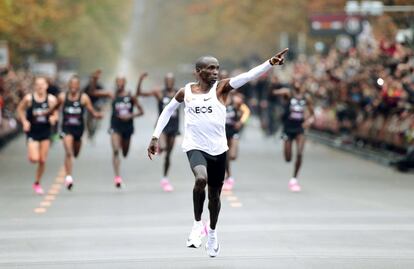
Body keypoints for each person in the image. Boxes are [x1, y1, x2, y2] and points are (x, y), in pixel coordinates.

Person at [147, 48, 288, 257]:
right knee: (200, 179)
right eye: (210, 68)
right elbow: (167, 110)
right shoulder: (186, 92)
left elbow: (247, 76)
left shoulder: (222, 88)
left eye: (217, 68)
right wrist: (155, 136)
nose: (215, 72)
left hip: (219, 149)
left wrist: (269, 63)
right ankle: (197, 225)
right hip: (195, 146)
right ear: (198, 72)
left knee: (214, 197)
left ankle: (212, 232)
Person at [91, 74, 144, 188]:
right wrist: (95, 79)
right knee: (115, 150)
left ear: (125, 83)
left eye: (121, 82)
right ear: (116, 83)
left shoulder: (130, 96)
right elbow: (94, 92)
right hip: (115, 126)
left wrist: (130, 115)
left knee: (124, 153)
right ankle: (117, 178)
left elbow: (141, 111)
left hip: (127, 128)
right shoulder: (112, 95)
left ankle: (121, 157)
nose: (119, 84)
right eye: (117, 82)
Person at [57, 75, 103, 190]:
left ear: (78, 86)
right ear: (68, 86)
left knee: (75, 154)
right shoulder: (63, 97)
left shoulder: (83, 98)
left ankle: (70, 163)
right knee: (69, 152)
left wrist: (97, 115)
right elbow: (54, 109)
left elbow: (91, 111)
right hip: (66, 128)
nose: (73, 87)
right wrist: (52, 116)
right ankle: (68, 177)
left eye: (75, 85)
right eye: (71, 85)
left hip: (78, 129)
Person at [136, 72, 180, 192]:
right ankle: (160, 145)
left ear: (174, 81)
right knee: (164, 148)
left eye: (171, 80)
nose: (169, 82)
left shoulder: (179, 93)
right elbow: (140, 93)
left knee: (168, 155)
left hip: (174, 126)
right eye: (167, 80)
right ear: (165, 81)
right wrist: (140, 80)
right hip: (163, 127)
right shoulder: (160, 93)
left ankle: (165, 178)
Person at [17, 76, 58, 194]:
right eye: (38, 84)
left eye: (42, 84)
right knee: (34, 159)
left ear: (46, 86)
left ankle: (37, 183)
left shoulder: (51, 100)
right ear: (35, 86)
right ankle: (31, 154)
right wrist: (24, 121)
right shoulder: (29, 98)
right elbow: (20, 109)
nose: (40, 86)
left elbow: (56, 114)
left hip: (45, 131)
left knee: (42, 160)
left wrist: (53, 118)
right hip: (33, 131)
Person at [273, 79, 314, 192]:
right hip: (288, 128)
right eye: (296, 83)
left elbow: (312, 115)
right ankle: (293, 175)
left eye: (300, 83)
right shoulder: (288, 94)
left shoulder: (307, 98)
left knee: (300, 153)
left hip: (300, 128)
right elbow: (275, 92)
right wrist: (275, 89)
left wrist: (308, 121)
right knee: (288, 158)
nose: (298, 85)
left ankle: (294, 179)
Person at [223, 92, 250, 191]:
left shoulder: (236, 100)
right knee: (225, 155)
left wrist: (241, 122)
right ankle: (229, 176)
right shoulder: (217, 98)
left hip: (233, 131)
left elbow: (246, 111)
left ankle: (226, 174)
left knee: (232, 156)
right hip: (221, 132)